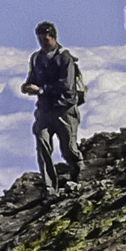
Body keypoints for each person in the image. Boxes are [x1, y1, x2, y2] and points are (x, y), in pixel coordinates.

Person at [21, 21, 83, 194]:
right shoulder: (36, 58)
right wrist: (27, 86)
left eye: (45, 39)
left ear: (53, 37)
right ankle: (50, 187)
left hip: (64, 109)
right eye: (40, 39)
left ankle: (78, 174)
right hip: (44, 110)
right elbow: (32, 77)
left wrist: (41, 90)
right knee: (42, 145)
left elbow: (66, 85)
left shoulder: (64, 57)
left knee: (68, 148)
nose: (42, 42)